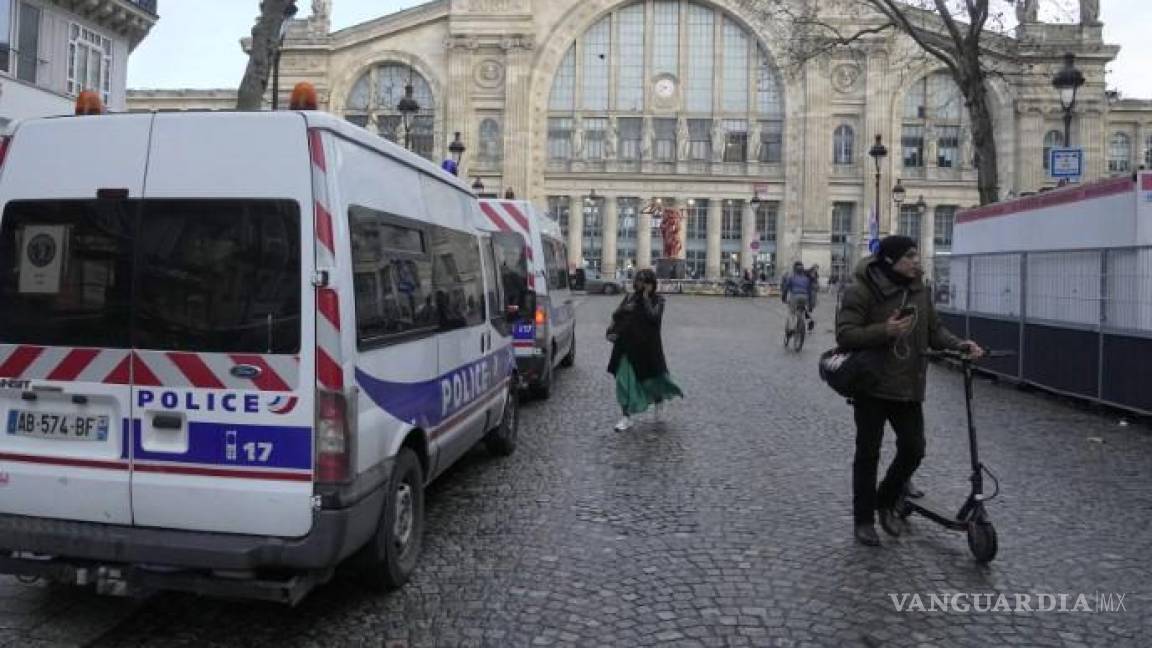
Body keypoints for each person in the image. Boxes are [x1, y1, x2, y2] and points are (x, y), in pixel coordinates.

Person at [836, 235, 985, 547]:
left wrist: (960, 345)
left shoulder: (919, 289)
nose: (916, 261)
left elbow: (934, 330)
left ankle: (885, 499)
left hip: (908, 385)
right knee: (868, 454)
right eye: (910, 256)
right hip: (872, 385)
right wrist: (884, 331)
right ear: (890, 260)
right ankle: (863, 521)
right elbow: (845, 334)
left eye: (917, 255)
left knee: (914, 449)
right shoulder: (862, 288)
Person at [607, 269, 684, 432]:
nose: (640, 284)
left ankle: (658, 399)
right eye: (638, 280)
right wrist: (624, 309)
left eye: (644, 281)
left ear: (652, 284)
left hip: (647, 348)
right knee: (623, 381)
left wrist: (646, 299)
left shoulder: (658, 301)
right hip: (626, 347)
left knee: (653, 380)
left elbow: (654, 318)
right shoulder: (629, 297)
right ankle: (626, 417)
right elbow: (615, 316)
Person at [780, 261, 815, 338]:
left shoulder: (792, 277)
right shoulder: (806, 279)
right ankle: (809, 319)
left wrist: (783, 297)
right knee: (804, 310)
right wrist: (810, 304)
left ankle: (792, 328)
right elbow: (810, 291)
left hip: (795, 296)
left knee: (792, 312)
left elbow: (786, 288)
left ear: (794, 270)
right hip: (805, 296)